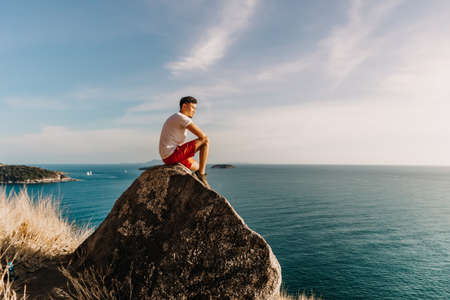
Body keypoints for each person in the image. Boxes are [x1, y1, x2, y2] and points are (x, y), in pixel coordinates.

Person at [159, 96, 210, 187]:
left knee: (198, 166)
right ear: (184, 106)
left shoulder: (176, 117)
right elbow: (202, 136)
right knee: (205, 141)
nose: (194, 111)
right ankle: (201, 175)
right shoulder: (181, 117)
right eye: (192, 108)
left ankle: (198, 176)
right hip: (172, 154)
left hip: (168, 155)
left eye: (195, 109)